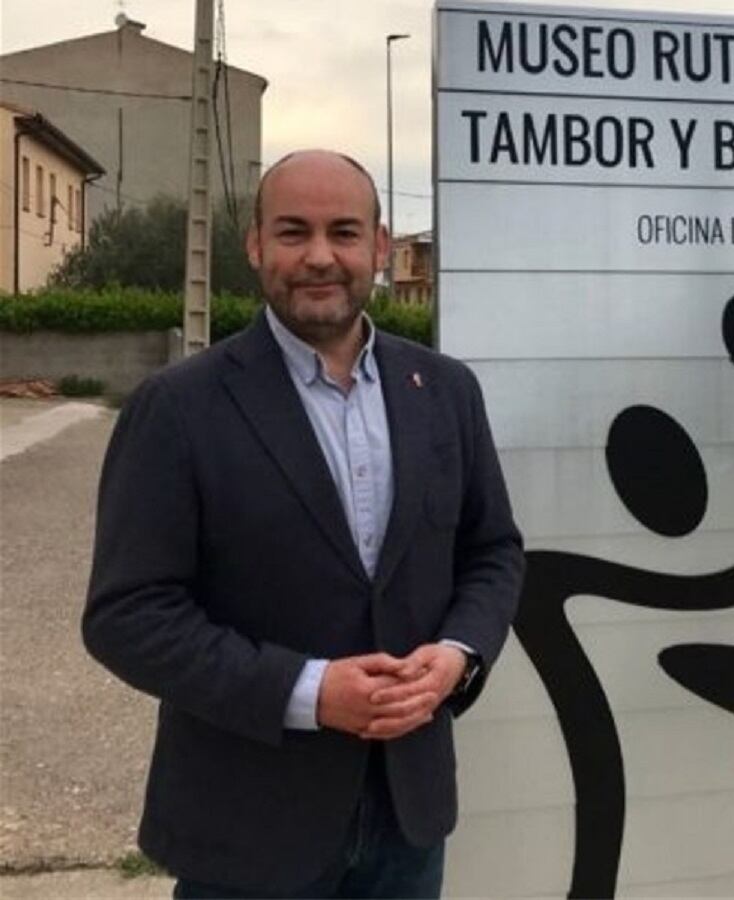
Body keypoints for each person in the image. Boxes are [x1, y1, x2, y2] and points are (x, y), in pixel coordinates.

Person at [82, 149, 524, 899]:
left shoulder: (445, 391)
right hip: (248, 828)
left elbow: (493, 552)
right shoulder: (179, 409)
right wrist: (310, 691)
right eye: (293, 232)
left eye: (344, 232)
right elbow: (128, 615)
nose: (320, 256)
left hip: (407, 819)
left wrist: (458, 655)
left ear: (380, 248)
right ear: (255, 246)